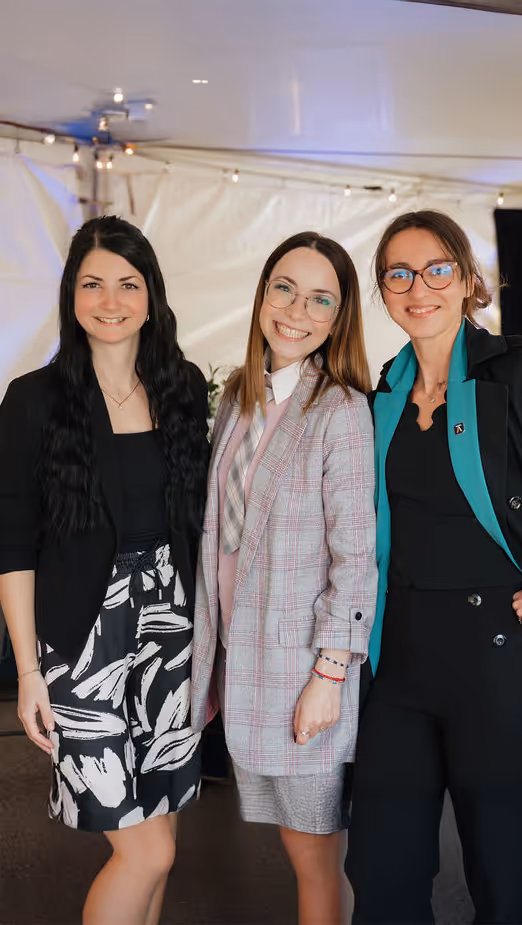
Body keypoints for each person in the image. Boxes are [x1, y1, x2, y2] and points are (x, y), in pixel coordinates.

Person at [345, 209, 522, 924]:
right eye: (398, 273)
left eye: (436, 269)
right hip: (396, 662)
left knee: (502, 862)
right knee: (379, 865)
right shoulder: (381, 397)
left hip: (499, 658)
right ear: (383, 290)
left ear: (466, 281)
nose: (416, 287)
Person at [0, 216, 210, 925]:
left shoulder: (182, 386)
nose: (110, 298)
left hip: (173, 629)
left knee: (164, 831)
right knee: (143, 852)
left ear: (152, 296)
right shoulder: (32, 399)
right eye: (92, 283)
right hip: (80, 638)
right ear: (71, 294)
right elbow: (12, 544)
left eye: (128, 282)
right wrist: (29, 670)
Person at [191, 231, 378, 925]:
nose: (298, 310)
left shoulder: (339, 410)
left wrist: (330, 675)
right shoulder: (240, 395)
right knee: (298, 851)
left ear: (338, 317)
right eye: (285, 288)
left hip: (305, 674)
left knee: (315, 858)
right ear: (262, 293)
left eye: (320, 299)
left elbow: (356, 557)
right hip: (243, 663)